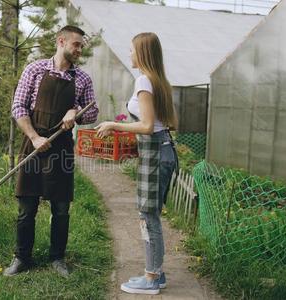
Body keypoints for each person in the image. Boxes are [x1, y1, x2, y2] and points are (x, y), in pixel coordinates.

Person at [4, 25, 99, 277]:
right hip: (33, 145)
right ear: (61, 41)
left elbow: (93, 112)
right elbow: (18, 107)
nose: (79, 49)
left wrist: (75, 111)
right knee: (27, 207)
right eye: (76, 44)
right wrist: (34, 137)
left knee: (60, 208)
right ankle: (22, 257)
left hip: (61, 148)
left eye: (81, 45)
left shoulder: (82, 79)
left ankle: (57, 258)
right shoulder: (35, 70)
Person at [95, 32, 178, 295]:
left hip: (156, 154)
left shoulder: (144, 81)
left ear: (141, 53)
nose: (129, 54)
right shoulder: (158, 80)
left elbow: (146, 125)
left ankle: (151, 277)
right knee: (150, 214)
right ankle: (157, 273)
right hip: (163, 151)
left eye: (132, 50)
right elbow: (159, 124)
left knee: (147, 215)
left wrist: (113, 124)